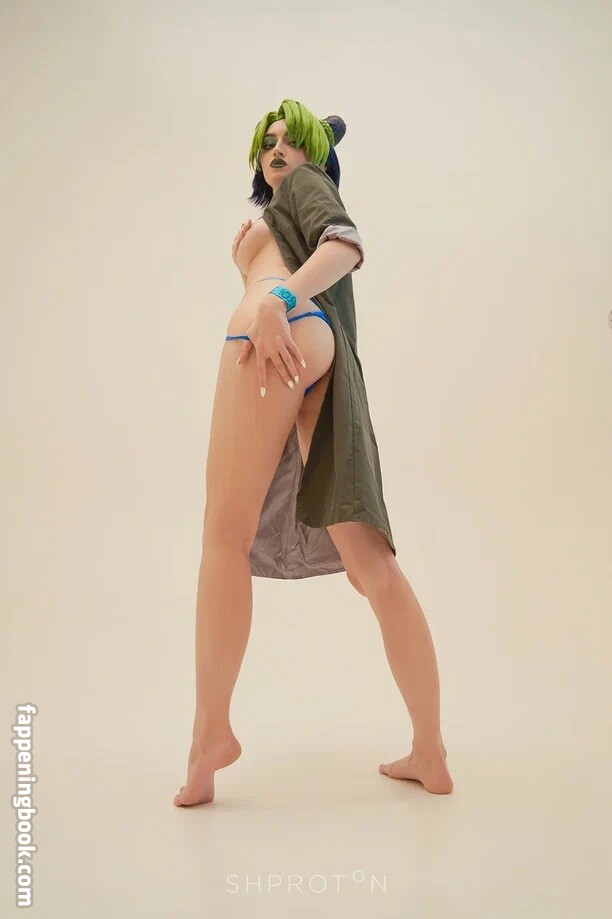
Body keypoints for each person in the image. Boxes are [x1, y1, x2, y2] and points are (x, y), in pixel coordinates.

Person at [173, 99, 453, 806]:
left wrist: (274, 297)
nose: (278, 150)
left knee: (223, 539)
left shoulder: (305, 185)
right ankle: (430, 749)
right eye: (267, 142)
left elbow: (345, 244)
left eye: (292, 141)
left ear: (316, 155)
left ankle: (210, 734)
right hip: (311, 338)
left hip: (278, 321)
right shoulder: (282, 207)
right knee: (373, 568)